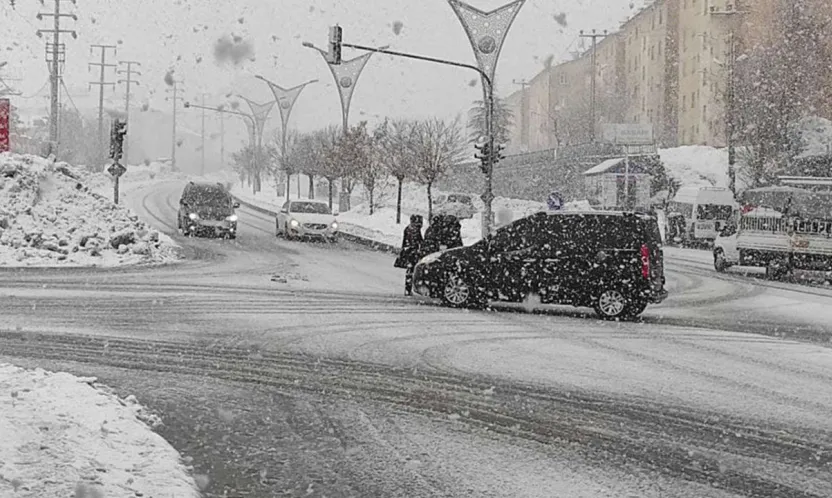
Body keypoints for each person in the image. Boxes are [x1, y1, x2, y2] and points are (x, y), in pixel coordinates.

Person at [397, 214, 424, 296]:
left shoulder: (408, 228)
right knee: (414, 270)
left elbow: (405, 241)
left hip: (408, 251)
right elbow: (419, 241)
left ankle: (408, 289)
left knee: (410, 270)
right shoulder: (415, 230)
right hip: (413, 252)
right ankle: (410, 288)